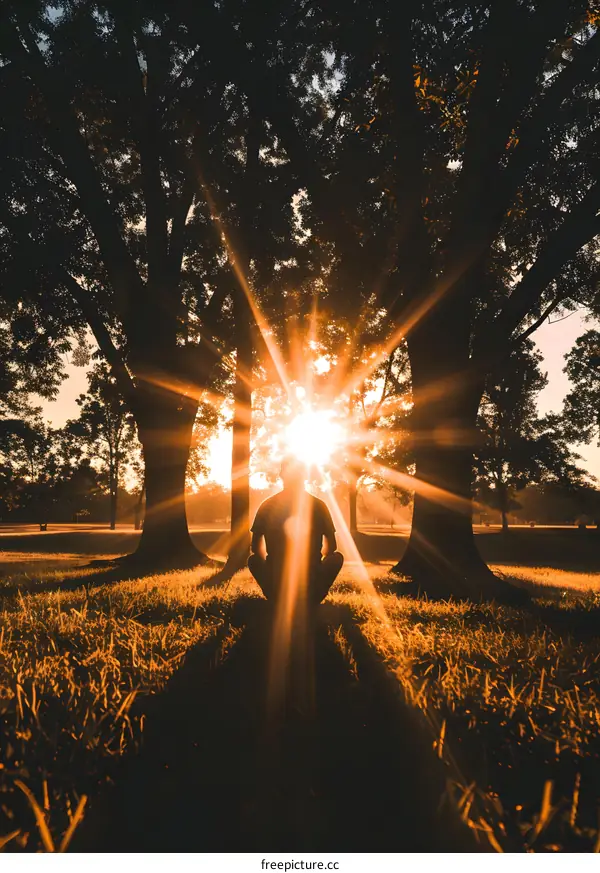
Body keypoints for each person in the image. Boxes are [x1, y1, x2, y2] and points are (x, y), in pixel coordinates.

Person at [248, 457, 344, 606]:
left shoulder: (267, 506)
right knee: (336, 558)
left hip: (276, 578)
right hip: (312, 577)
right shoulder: (319, 506)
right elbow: (332, 547)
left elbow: (255, 548)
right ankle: (313, 596)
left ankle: (276, 596)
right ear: (305, 476)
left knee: (253, 560)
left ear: (281, 476)